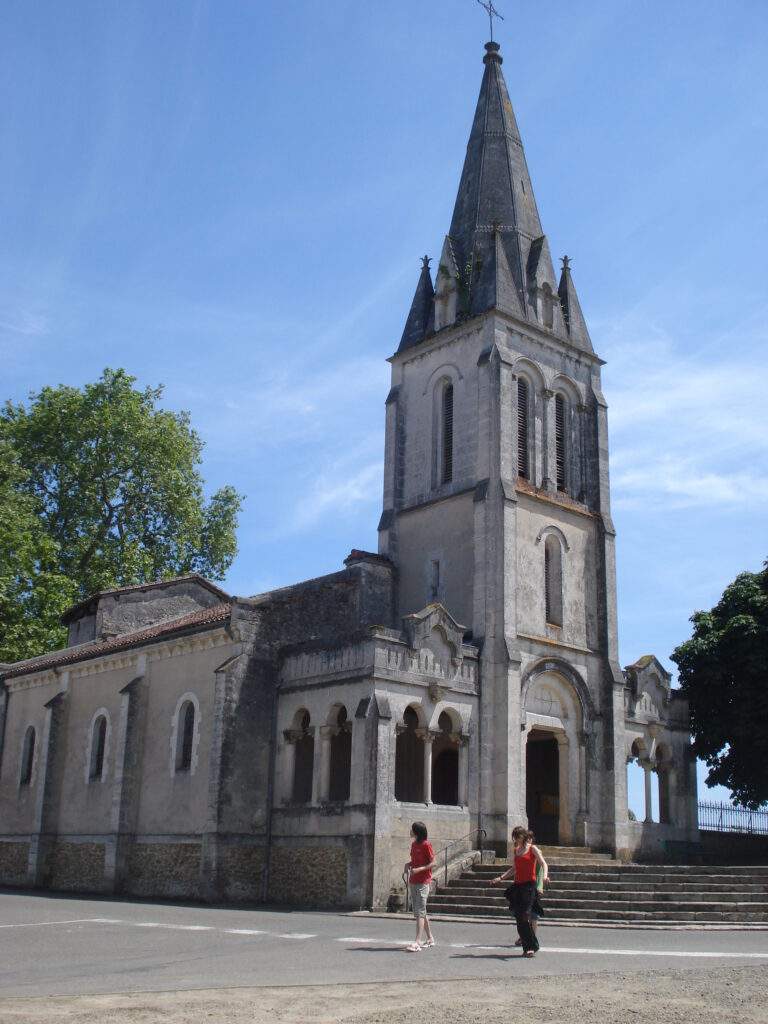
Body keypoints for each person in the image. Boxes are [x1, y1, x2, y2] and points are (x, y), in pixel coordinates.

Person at [491, 825, 549, 958]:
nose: (515, 839)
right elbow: (514, 869)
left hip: (529, 887)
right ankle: (527, 946)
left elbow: (543, 863)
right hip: (518, 886)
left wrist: (545, 877)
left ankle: (531, 947)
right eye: (514, 837)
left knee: (525, 915)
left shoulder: (532, 848)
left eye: (517, 836)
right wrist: (500, 878)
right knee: (519, 918)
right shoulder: (516, 850)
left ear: (523, 836)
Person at [404, 821, 436, 952]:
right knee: (421, 912)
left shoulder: (426, 845)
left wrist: (420, 869)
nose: (410, 831)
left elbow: (433, 863)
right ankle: (430, 938)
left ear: (417, 831)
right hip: (413, 881)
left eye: (412, 829)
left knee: (420, 912)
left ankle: (417, 941)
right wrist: (408, 865)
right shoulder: (413, 845)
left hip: (423, 881)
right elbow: (414, 861)